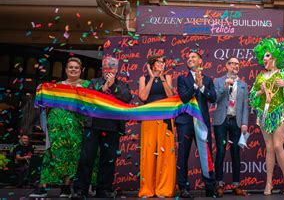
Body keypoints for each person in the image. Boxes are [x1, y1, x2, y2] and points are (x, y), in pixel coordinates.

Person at [29, 57, 90, 198]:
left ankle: (66, 187)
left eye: (76, 67)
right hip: (56, 125)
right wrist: (41, 92)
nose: (73, 70)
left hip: (76, 125)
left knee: (72, 155)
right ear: (66, 70)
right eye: (71, 67)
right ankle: (42, 186)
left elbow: (93, 103)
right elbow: (48, 104)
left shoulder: (88, 85)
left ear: (81, 70)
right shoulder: (56, 86)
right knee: (52, 153)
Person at [73, 56, 132, 198]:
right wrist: (104, 87)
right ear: (102, 69)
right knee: (86, 158)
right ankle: (81, 190)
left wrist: (112, 86)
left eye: (111, 68)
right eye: (106, 68)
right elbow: (88, 99)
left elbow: (126, 97)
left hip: (112, 127)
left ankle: (103, 189)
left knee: (108, 159)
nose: (108, 71)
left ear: (116, 70)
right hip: (93, 126)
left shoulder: (122, 84)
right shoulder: (93, 82)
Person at [249, 38, 284, 195]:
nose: (264, 59)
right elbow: (251, 98)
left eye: (267, 55)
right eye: (263, 56)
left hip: (280, 112)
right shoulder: (260, 77)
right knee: (269, 148)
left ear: (275, 57)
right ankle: (269, 183)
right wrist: (260, 92)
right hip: (264, 114)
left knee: (278, 145)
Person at [176, 51, 218, 198]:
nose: (190, 59)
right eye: (188, 58)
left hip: (202, 122)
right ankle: (183, 188)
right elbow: (184, 98)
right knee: (183, 155)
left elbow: (213, 98)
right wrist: (195, 86)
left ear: (200, 61)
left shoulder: (207, 80)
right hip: (185, 122)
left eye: (193, 57)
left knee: (206, 155)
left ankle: (209, 187)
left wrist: (202, 87)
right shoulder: (182, 78)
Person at [138, 55, 176, 198]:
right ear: (152, 64)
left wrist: (161, 78)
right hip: (149, 117)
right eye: (159, 62)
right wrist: (151, 77)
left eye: (163, 62)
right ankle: (147, 189)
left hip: (165, 117)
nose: (161, 64)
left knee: (165, 153)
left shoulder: (168, 77)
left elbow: (170, 95)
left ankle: (163, 189)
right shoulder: (143, 79)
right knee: (148, 153)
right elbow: (143, 97)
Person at [213, 57, 249, 197]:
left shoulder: (243, 85)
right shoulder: (218, 81)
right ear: (226, 66)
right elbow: (214, 99)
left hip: (236, 122)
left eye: (238, 64)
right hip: (221, 121)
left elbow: (245, 106)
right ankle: (219, 184)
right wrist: (225, 87)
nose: (235, 66)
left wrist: (245, 122)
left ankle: (236, 185)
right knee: (221, 152)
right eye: (232, 63)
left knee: (235, 153)